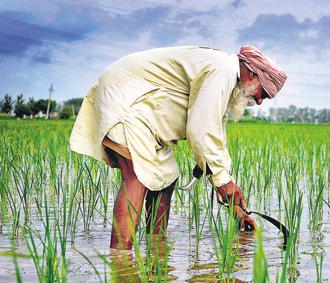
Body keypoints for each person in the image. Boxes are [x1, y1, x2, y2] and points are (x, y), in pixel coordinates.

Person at [69, 45, 287, 250]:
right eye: (264, 93)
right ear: (251, 75)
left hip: (144, 114)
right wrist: (223, 182)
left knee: (167, 178)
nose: (259, 102)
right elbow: (201, 129)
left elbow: (215, 141)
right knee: (137, 176)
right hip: (126, 100)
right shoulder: (222, 72)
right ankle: (121, 258)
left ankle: (156, 248)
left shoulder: (223, 79)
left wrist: (237, 210)